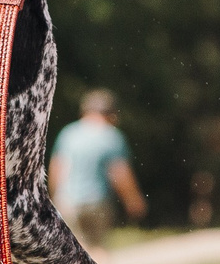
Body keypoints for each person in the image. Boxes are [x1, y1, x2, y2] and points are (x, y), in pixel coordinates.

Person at [48, 90, 146, 249]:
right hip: (97, 201)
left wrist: (55, 198)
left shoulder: (68, 133)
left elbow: (57, 168)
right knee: (99, 248)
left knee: (76, 251)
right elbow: (120, 173)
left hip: (68, 201)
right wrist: (133, 200)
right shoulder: (111, 136)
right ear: (111, 114)